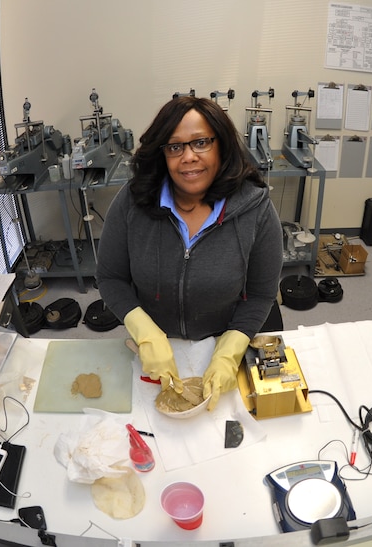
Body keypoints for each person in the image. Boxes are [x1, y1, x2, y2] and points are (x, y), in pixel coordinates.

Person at [96, 96, 283, 410]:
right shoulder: (133, 202)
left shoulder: (256, 207)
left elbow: (262, 292)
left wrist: (233, 345)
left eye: (200, 143)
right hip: (157, 353)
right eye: (175, 147)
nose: (188, 157)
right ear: (163, 154)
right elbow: (111, 277)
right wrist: (144, 332)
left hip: (224, 341)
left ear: (220, 145)